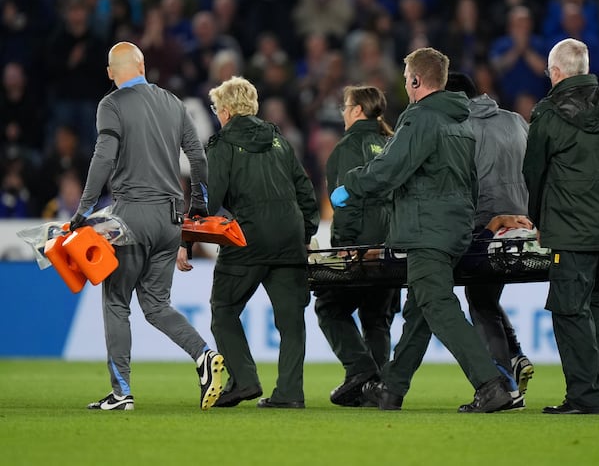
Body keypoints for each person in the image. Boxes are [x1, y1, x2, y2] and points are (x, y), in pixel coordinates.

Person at [330, 47, 511, 413]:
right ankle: (391, 388)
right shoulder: (460, 122)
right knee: (420, 311)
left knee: (437, 305)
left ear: (415, 80)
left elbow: (390, 168)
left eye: (406, 78)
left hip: (428, 228)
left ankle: (491, 385)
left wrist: (351, 186)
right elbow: (471, 182)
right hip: (454, 226)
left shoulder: (422, 118)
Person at [70, 41, 225, 411]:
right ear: (142, 66)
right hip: (171, 219)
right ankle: (203, 355)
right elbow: (198, 157)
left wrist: (84, 210)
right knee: (156, 304)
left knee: (116, 301)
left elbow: (103, 157)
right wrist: (198, 208)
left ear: (111, 72)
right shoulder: (174, 103)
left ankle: (121, 392)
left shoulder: (111, 105)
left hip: (131, 217)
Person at [177, 76, 319, 409]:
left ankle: (244, 380)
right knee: (291, 321)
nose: (216, 114)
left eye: (216, 108)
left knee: (224, 309)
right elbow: (305, 191)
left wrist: (186, 239)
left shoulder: (222, 143)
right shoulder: (280, 140)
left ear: (225, 110)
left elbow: (210, 201)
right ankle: (289, 394)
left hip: (248, 239)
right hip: (289, 237)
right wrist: (306, 234)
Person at [522, 38, 599, 415]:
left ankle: (585, 397)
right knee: (598, 305)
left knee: (570, 310)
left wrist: (538, 219)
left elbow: (533, 173)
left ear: (555, 72)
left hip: (571, 229)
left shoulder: (549, 113)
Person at [445, 71, 535, 409]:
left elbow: (461, 182)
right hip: (523, 222)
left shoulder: (460, 128)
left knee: (479, 300)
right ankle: (514, 356)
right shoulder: (514, 120)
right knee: (485, 296)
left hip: (486, 225)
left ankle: (505, 383)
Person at [314, 85, 400, 407]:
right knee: (377, 317)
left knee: (329, 307)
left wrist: (346, 245)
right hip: (390, 248)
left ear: (358, 110)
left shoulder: (347, 148)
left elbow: (346, 202)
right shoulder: (392, 144)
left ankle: (361, 372)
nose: (343, 112)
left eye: (346, 106)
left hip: (360, 248)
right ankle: (377, 390)